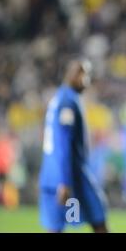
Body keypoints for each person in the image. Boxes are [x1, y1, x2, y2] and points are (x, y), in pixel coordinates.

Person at [39, 59, 108, 233]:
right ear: (76, 75)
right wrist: (64, 181)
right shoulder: (67, 102)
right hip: (70, 175)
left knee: (55, 228)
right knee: (98, 218)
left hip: (51, 174)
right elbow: (62, 143)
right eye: (86, 75)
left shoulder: (60, 98)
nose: (88, 80)